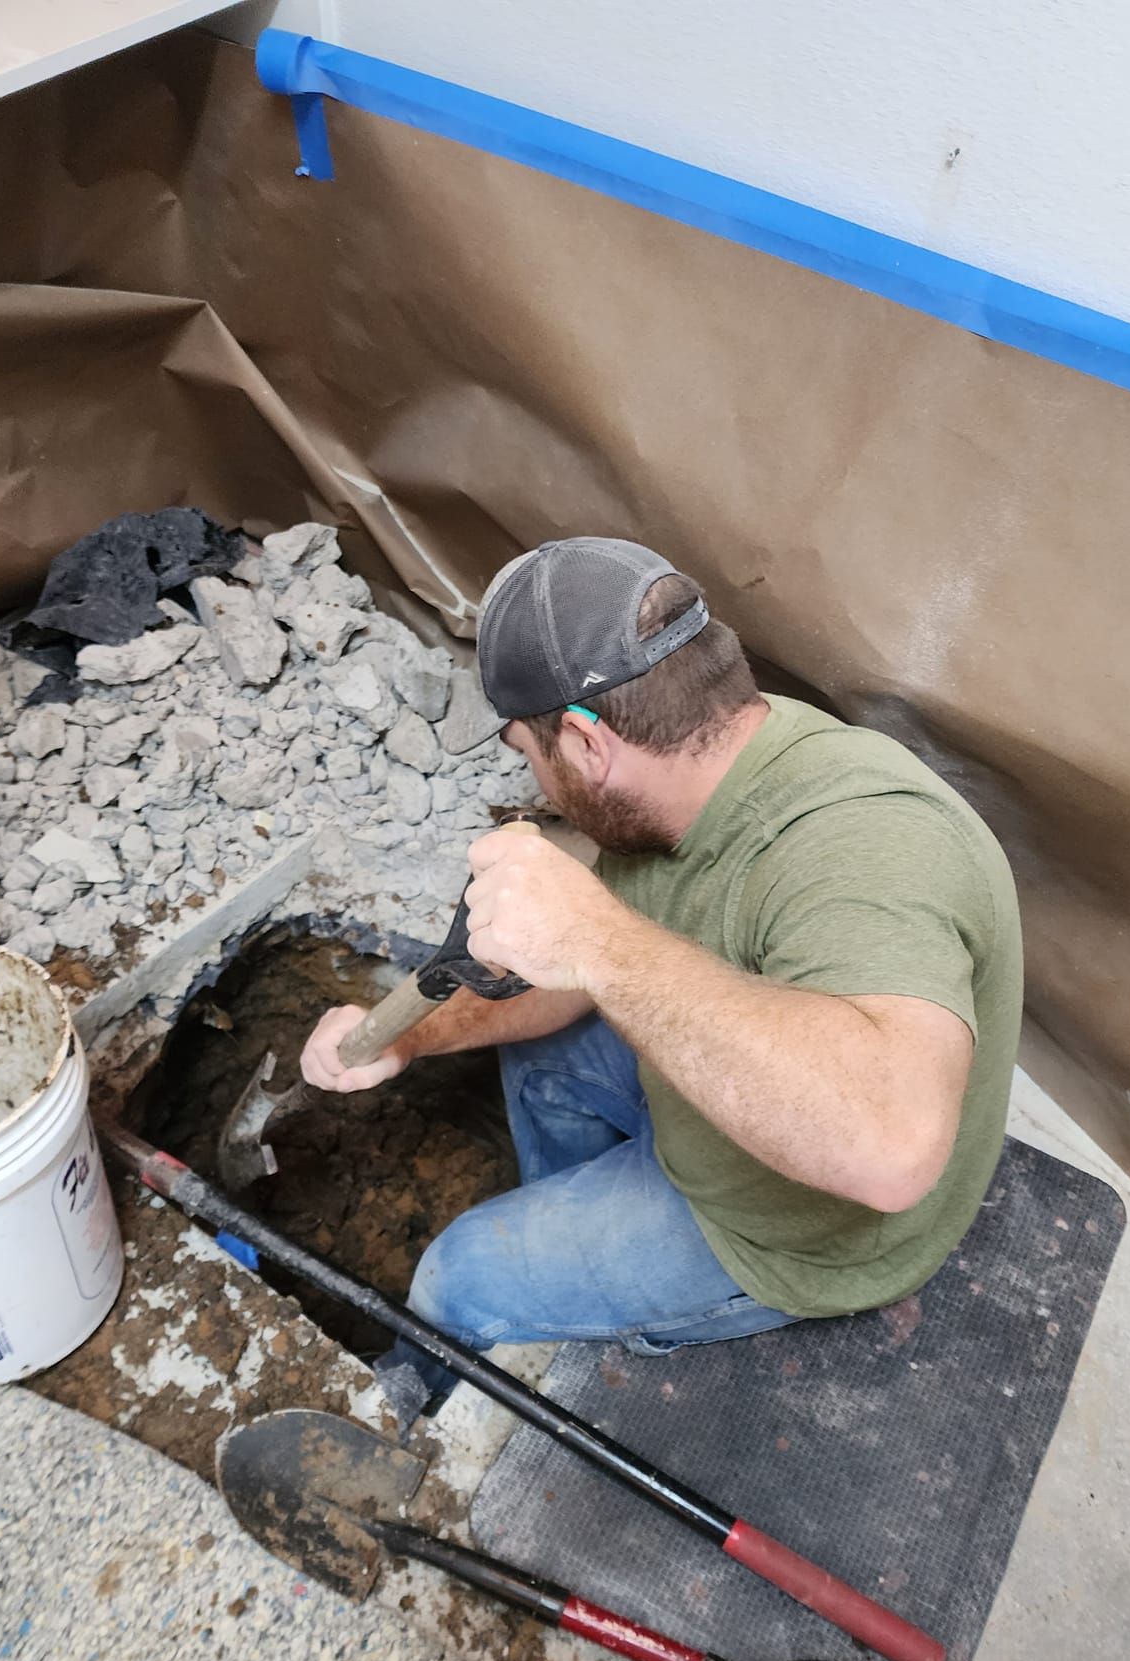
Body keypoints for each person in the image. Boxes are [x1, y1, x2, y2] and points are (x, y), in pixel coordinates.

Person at [302, 537, 1022, 1424]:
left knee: (458, 1277)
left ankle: (411, 1414)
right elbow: (568, 979)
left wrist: (596, 937)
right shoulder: (688, 767)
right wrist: (406, 1035)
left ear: (584, 740)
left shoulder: (864, 841)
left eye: (529, 750)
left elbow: (889, 1149)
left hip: (803, 1232)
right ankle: (575, 1241)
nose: (534, 777)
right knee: (544, 1061)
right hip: (725, 1102)